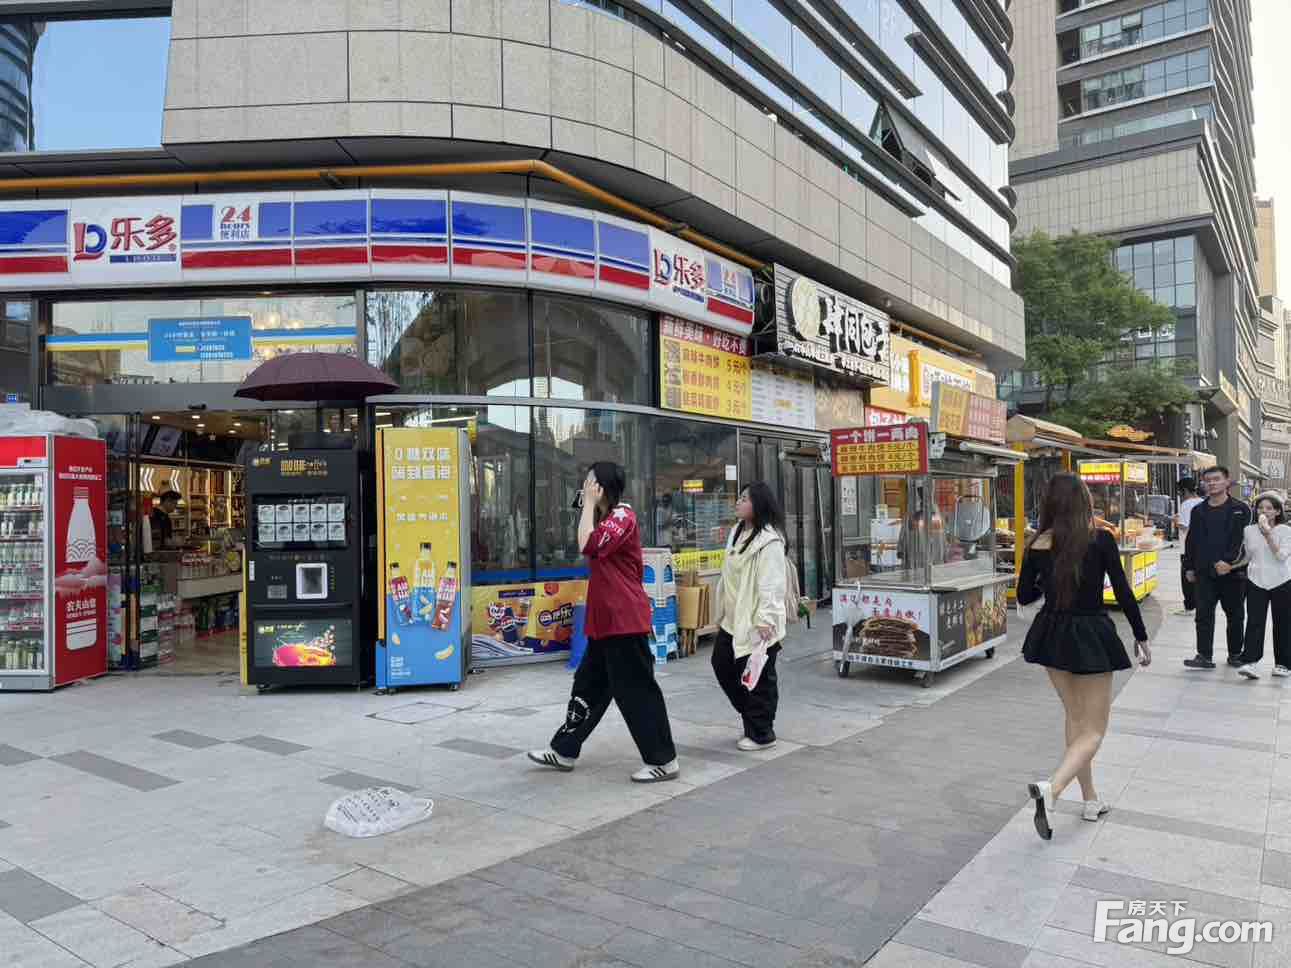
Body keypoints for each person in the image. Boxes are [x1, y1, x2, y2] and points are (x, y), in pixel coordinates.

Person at [1017, 473, 1151, 841]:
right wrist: (1140, 636)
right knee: (1093, 730)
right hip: (1091, 633)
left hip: (1051, 635)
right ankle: (1053, 789)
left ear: (1049, 504)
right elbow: (1122, 590)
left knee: (1076, 720)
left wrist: (1049, 578)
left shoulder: (1036, 543)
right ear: (1084, 502)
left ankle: (1090, 799)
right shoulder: (1100, 539)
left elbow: (1025, 596)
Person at [528, 462, 680, 783]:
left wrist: (589, 505)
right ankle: (565, 750)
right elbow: (587, 539)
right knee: (588, 686)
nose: (584, 487)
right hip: (604, 622)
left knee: (636, 691)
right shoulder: (604, 518)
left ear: (602, 487)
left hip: (625, 620)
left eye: (589, 482)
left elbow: (587, 544)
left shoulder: (623, 517)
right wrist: (589, 506)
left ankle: (663, 761)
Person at [711, 482, 788, 751]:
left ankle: (762, 733)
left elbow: (772, 585)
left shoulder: (769, 541)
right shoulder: (736, 532)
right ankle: (752, 717)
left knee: (759, 678)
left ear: (759, 504)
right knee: (722, 664)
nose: (738, 502)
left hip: (757, 621)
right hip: (732, 619)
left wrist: (766, 620)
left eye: (744, 499)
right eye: (739, 497)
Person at [1182, 465, 1252, 669]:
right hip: (1204, 572)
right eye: (1208, 480)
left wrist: (1229, 562)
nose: (1212, 483)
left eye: (1216, 479)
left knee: (1235, 615)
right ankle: (1204, 655)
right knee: (1203, 615)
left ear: (1227, 481)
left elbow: (1244, 540)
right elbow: (1191, 541)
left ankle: (1235, 654)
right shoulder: (1198, 510)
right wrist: (1189, 567)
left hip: (1233, 573)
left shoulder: (1241, 509)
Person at [1236, 492, 1291, 679]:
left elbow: (1281, 556)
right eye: (1260, 508)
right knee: (1254, 622)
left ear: (1277, 512)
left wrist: (1268, 534)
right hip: (1256, 580)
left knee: (1283, 622)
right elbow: (1248, 556)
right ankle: (1250, 662)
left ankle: (1283, 663)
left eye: (1269, 508)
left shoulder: (1285, 531)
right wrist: (1231, 566)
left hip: (1282, 581)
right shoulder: (1249, 530)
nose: (1264, 511)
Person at [1174, 478, 1203, 616]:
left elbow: (1185, 527)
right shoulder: (1202, 502)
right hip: (1200, 548)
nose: (1180, 495)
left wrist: (1176, 521)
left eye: (1180, 492)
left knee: (1187, 579)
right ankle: (1199, 605)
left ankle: (1190, 607)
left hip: (1187, 548)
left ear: (1184, 491)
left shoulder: (1186, 504)